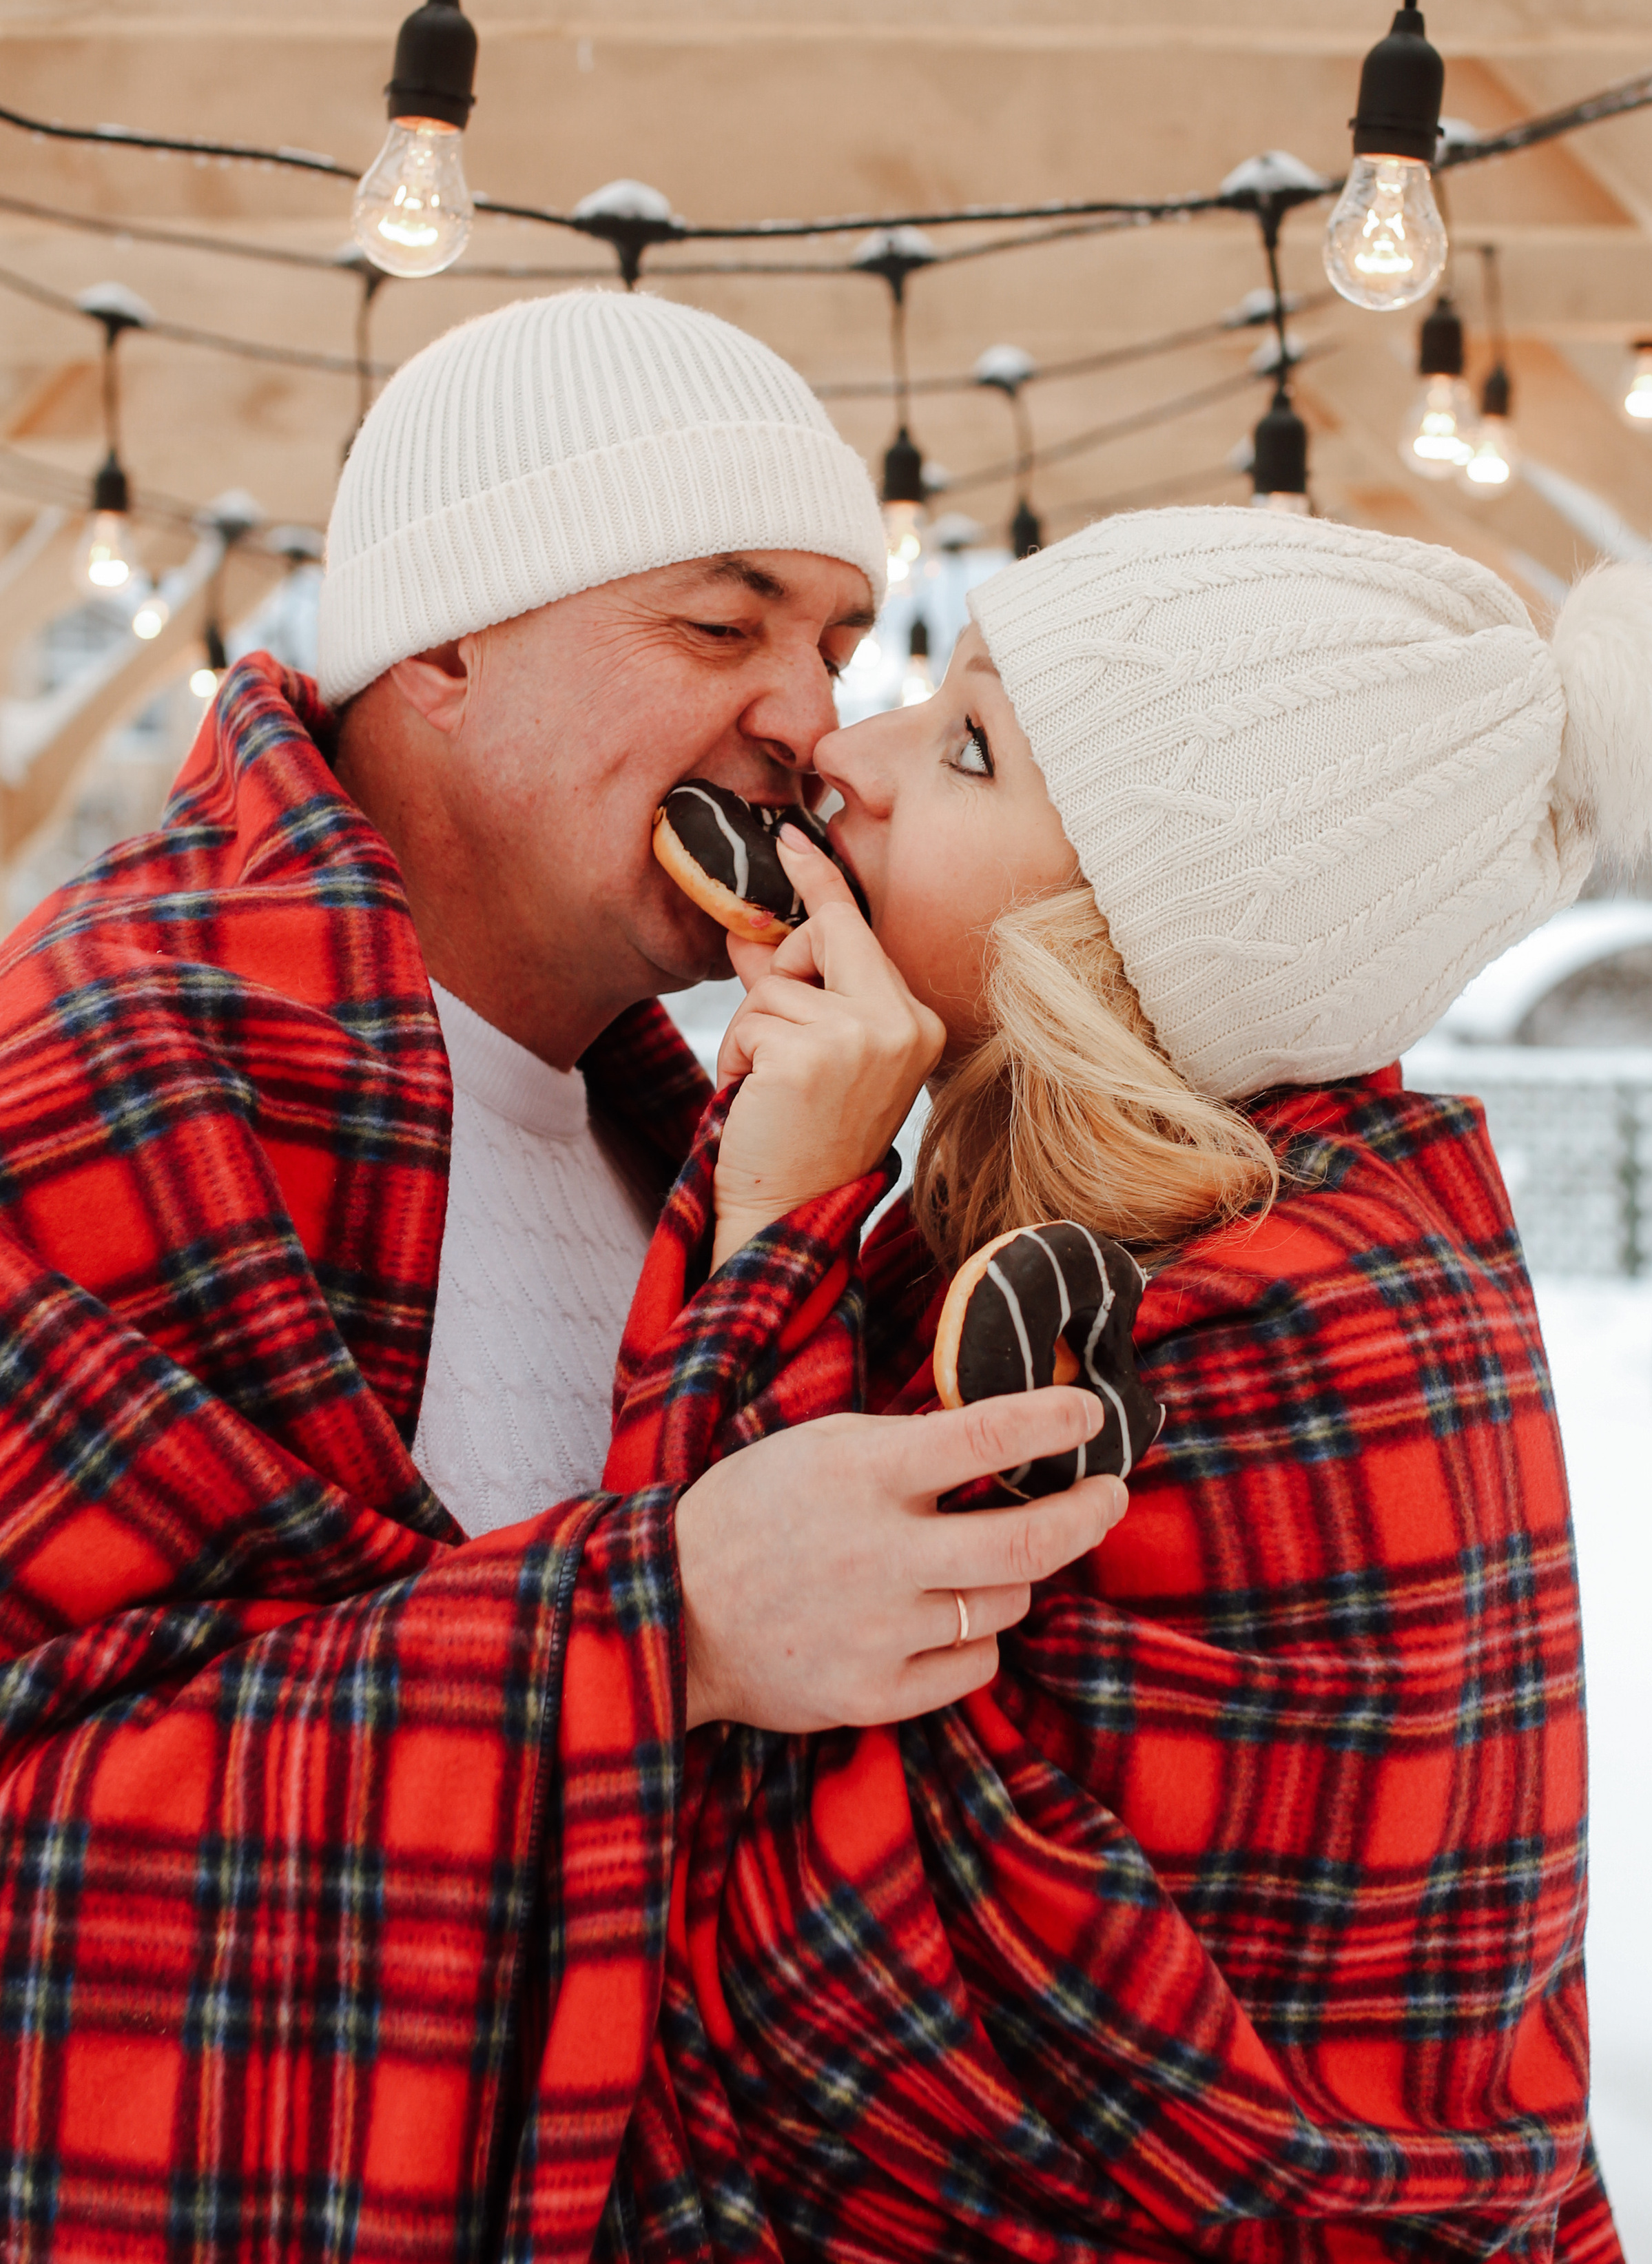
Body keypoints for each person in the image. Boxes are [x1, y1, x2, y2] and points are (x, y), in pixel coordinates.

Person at [0, 291, 1126, 2261]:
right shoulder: (94, 1063)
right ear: (440, 637)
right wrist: (651, 1625)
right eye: (723, 622)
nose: (810, 714)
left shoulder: (685, 1124)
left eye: (837, 644)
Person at [588, 510, 1652, 2261]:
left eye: (968, 744)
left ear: (1130, 941)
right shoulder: (1241, 1216)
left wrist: (773, 1219)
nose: (845, 750)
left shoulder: (1262, 1338)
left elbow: (787, 1924)